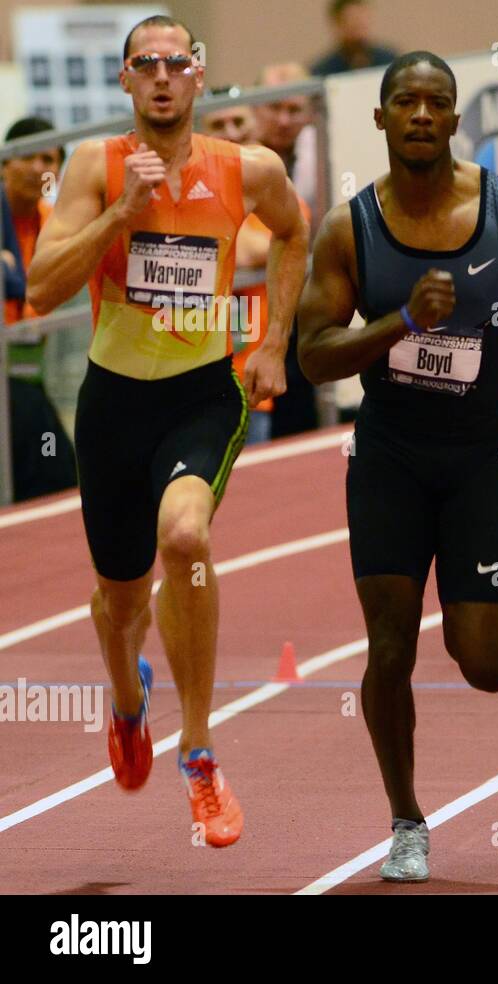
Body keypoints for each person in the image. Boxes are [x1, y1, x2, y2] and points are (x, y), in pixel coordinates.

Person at [296, 51, 498, 881]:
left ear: (456, 122)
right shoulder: (347, 228)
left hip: (474, 462)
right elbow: (313, 358)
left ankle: (465, 628)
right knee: (390, 647)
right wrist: (397, 324)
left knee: (489, 665)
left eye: (437, 103)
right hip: (387, 460)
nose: (421, 114)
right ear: (381, 121)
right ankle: (406, 819)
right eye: (405, 102)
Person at [26, 15, 309, 844]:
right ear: (124, 81)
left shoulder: (248, 169)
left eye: (175, 63)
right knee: (118, 602)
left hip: (200, 394)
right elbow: (41, 290)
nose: (160, 77)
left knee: (184, 538)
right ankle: (125, 700)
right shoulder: (93, 165)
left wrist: (274, 345)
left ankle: (199, 751)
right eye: (144, 64)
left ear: (199, 74)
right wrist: (123, 214)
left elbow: (294, 233)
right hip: (113, 402)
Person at [203, 87, 312, 444]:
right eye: (219, 123)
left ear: (255, 127)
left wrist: (211, 244)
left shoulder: (276, 186)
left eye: (239, 122)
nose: (231, 132)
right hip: (191, 377)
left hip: (250, 378)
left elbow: (260, 250)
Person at [4, 117, 79, 500]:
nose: (38, 168)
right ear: (4, 165)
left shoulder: (55, 223)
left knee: (59, 472)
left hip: (30, 377)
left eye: (48, 158)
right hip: (13, 384)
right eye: (27, 156)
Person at [253, 62, 321, 437]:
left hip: (305, 312)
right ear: (255, 109)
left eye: (293, 110)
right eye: (273, 108)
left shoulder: (324, 155)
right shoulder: (241, 156)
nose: (283, 119)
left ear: (310, 114)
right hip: (248, 313)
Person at [310, 0, 398, 77]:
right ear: (338, 24)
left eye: (362, 22)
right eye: (353, 23)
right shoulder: (323, 71)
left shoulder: (389, 61)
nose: (359, 27)